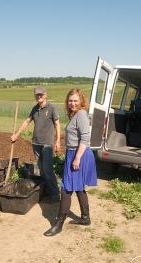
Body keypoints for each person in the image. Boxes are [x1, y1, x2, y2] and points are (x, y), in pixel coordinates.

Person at [44, 88, 97, 237]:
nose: (72, 103)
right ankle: (86, 218)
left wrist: (77, 158)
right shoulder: (75, 115)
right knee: (79, 187)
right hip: (73, 153)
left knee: (66, 189)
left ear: (81, 101)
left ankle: (58, 224)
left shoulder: (81, 114)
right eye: (70, 100)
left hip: (79, 154)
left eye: (75, 100)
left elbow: (85, 139)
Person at [11, 86, 61, 202]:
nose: (39, 96)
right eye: (37, 95)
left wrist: (58, 141)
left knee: (48, 169)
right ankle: (47, 191)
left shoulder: (52, 108)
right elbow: (27, 122)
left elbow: (57, 124)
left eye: (41, 94)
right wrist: (16, 135)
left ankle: (55, 195)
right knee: (42, 169)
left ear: (45, 94)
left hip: (47, 144)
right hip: (36, 143)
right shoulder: (35, 109)